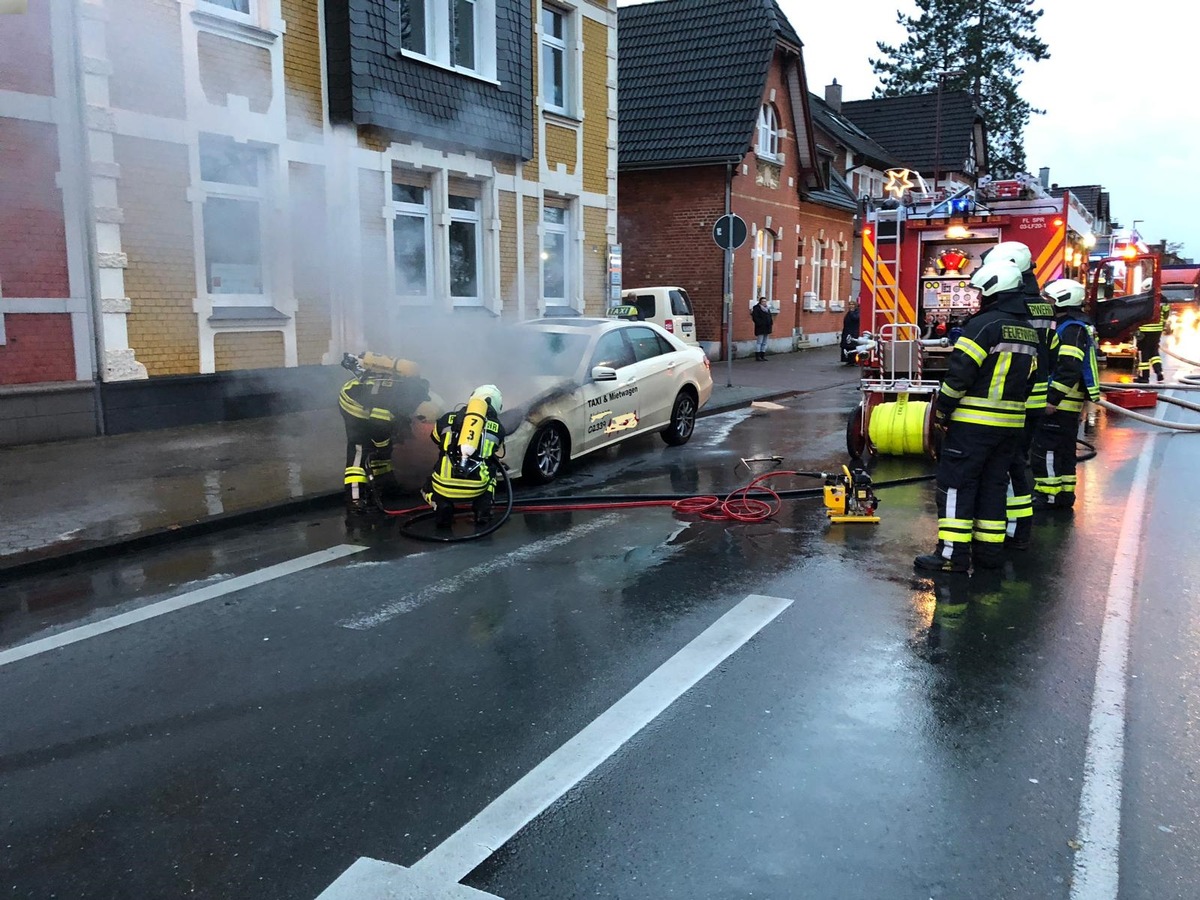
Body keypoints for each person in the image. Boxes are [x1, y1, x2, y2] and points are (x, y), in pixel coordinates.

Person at [913, 259, 1040, 574]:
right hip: (1010, 427)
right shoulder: (1027, 330)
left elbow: (960, 374)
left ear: (993, 290)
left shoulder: (982, 325)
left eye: (981, 291)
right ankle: (989, 553)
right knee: (993, 487)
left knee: (956, 485)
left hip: (972, 427)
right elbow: (1031, 380)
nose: (978, 297)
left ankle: (951, 556)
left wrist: (942, 409)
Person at [979, 241, 1054, 550]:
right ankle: (1018, 527)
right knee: (1016, 465)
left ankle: (1008, 530)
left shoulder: (1014, 308)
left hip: (1012, 399)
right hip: (1033, 397)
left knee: (1004, 467)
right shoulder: (1043, 306)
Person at [339, 352, 434, 525]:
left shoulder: (405, 390)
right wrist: (383, 446)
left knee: (383, 447)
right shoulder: (400, 398)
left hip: (370, 404)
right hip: (353, 405)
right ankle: (355, 502)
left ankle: (387, 486)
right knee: (360, 450)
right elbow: (379, 424)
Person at [1031, 278, 1101, 511]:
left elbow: (1068, 367)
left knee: (1047, 450)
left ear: (1062, 299)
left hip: (1061, 404)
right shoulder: (1073, 326)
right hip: (1068, 404)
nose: (1047, 303)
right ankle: (1064, 495)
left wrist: (1052, 399)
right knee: (1064, 452)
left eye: (1050, 299)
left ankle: (1048, 495)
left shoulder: (1070, 329)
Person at [423, 384, 506, 528]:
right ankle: (483, 510)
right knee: (491, 472)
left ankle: (441, 505)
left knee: (426, 486)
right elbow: (496, 451)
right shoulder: (498, 428)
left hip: (443, 486)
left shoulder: (447, 418)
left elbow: (435, 438)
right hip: (476, 488)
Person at [1134, 289, 1167, 383]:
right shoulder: (1163, 299)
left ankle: (1144, 377)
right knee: (1154, 351)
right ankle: (1159, 371)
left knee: (1143, 353)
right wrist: (1162, 325)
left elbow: (1138, 314)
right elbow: (1166, 313)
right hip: (1157, 330)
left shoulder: (1144, 299)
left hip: (1145, 330)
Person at [751, 296, 774, 361]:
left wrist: (771, 323)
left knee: (764, 342)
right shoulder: (756, 308)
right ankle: (758, 356)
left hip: (767, 327)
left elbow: (769, 317)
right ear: (760, 302)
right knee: (759, 342)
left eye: (765, 301)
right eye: (763, 301)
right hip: (760, 327)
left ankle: (762, 355)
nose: (764, 302)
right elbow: (755, 317)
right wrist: (760, 323)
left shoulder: (767, 308)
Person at [840, 300, 861, 365]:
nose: (851, 306)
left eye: (852, 304)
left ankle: (853, 360)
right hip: (847, 331)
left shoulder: (857, 312)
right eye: (850, 304)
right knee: (846, 346)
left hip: (853, 332)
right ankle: (848, 360)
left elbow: (855, 318)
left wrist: (851, 312)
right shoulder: (849, 312)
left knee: (852, 346)